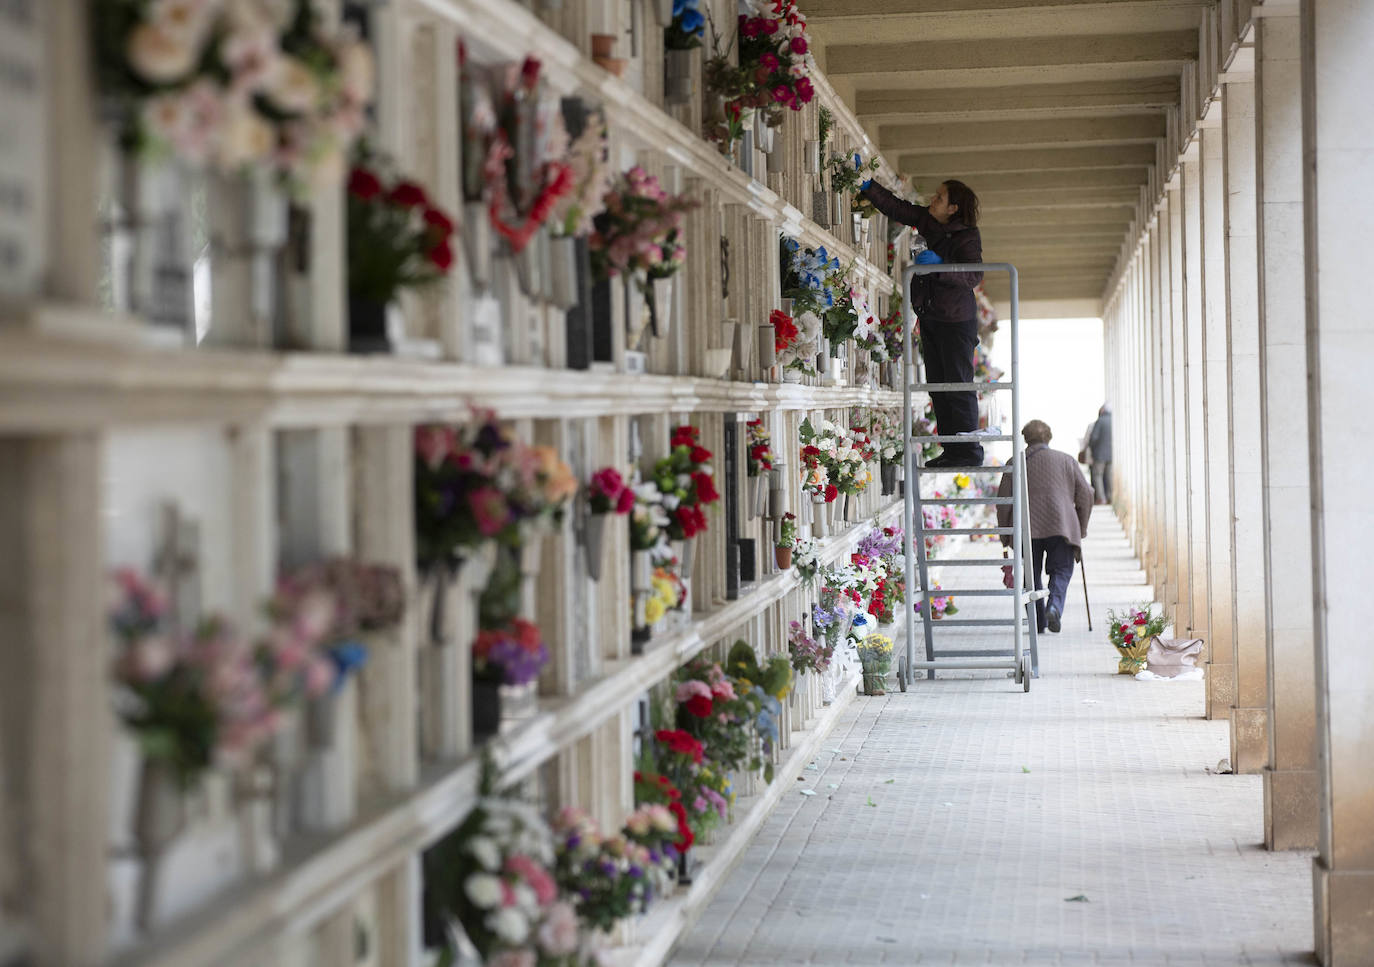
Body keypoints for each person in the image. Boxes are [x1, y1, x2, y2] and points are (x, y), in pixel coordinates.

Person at [858, 168, 985, 467]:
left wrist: (941, 265)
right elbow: (897, 208)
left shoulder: (967, 236)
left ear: (953, 208)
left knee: (958, 385)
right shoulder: (928, 219)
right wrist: (867, 186)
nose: (934, 199)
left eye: (940, 197)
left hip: (956, 320)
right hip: (932, 317)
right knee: (938, 385)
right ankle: (952, 450)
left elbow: (973, 274)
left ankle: (969, 451)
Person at [996, 420, 1093, 634]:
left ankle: (1037, 621)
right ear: (1049, 437)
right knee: (1062, 568)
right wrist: (1080, 527)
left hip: (1026, 527)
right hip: (1062, 525)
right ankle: (1055, 606)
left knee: (1032, 574)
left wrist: (1005, 535)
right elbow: (1086, 494)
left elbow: (1003, 501)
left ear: (1025, 438)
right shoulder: (1066, 460)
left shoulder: (1015, 463)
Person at [1087, 404, 1112, 504]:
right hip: (1111, 455)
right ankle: (1110, 496)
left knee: (1097, 475)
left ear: (1102, 411)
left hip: (1100, 455)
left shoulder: (1100, 421)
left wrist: (1092, 449)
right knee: (1109, 476)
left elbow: (1093, 438)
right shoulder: (1114, 421)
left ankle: (1101, 498)